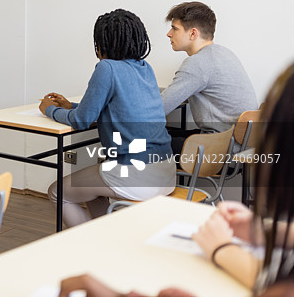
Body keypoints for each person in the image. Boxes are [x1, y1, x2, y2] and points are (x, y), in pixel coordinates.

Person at [57, 61, 294, 297]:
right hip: (188, 167)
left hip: (156, 171)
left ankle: (95, 250)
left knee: (62, 190)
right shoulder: (147, 67)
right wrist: (267, 230)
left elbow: (156, 108)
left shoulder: (196, 66)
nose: (169, 33)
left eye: (175, 27)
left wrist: (222, 248)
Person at [39, 9, 176, 228]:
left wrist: (48, 110)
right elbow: (109, 109)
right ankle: (107, 235)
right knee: (95, 184)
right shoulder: (144, 68)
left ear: (102, 43)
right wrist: (70, 106)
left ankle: (94, 244)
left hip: (137, 175)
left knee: (57, 192)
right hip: (166, 172)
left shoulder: (107, 68)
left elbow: (81, 121)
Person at [160, 1, 258, 152]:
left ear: (193, 33)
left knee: (144, 140)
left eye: (174, 28)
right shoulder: (224, 53)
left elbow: (160, 108)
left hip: (219, 150)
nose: (169, 34)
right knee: (169, 133)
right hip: (240, 147)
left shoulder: (198, 63)